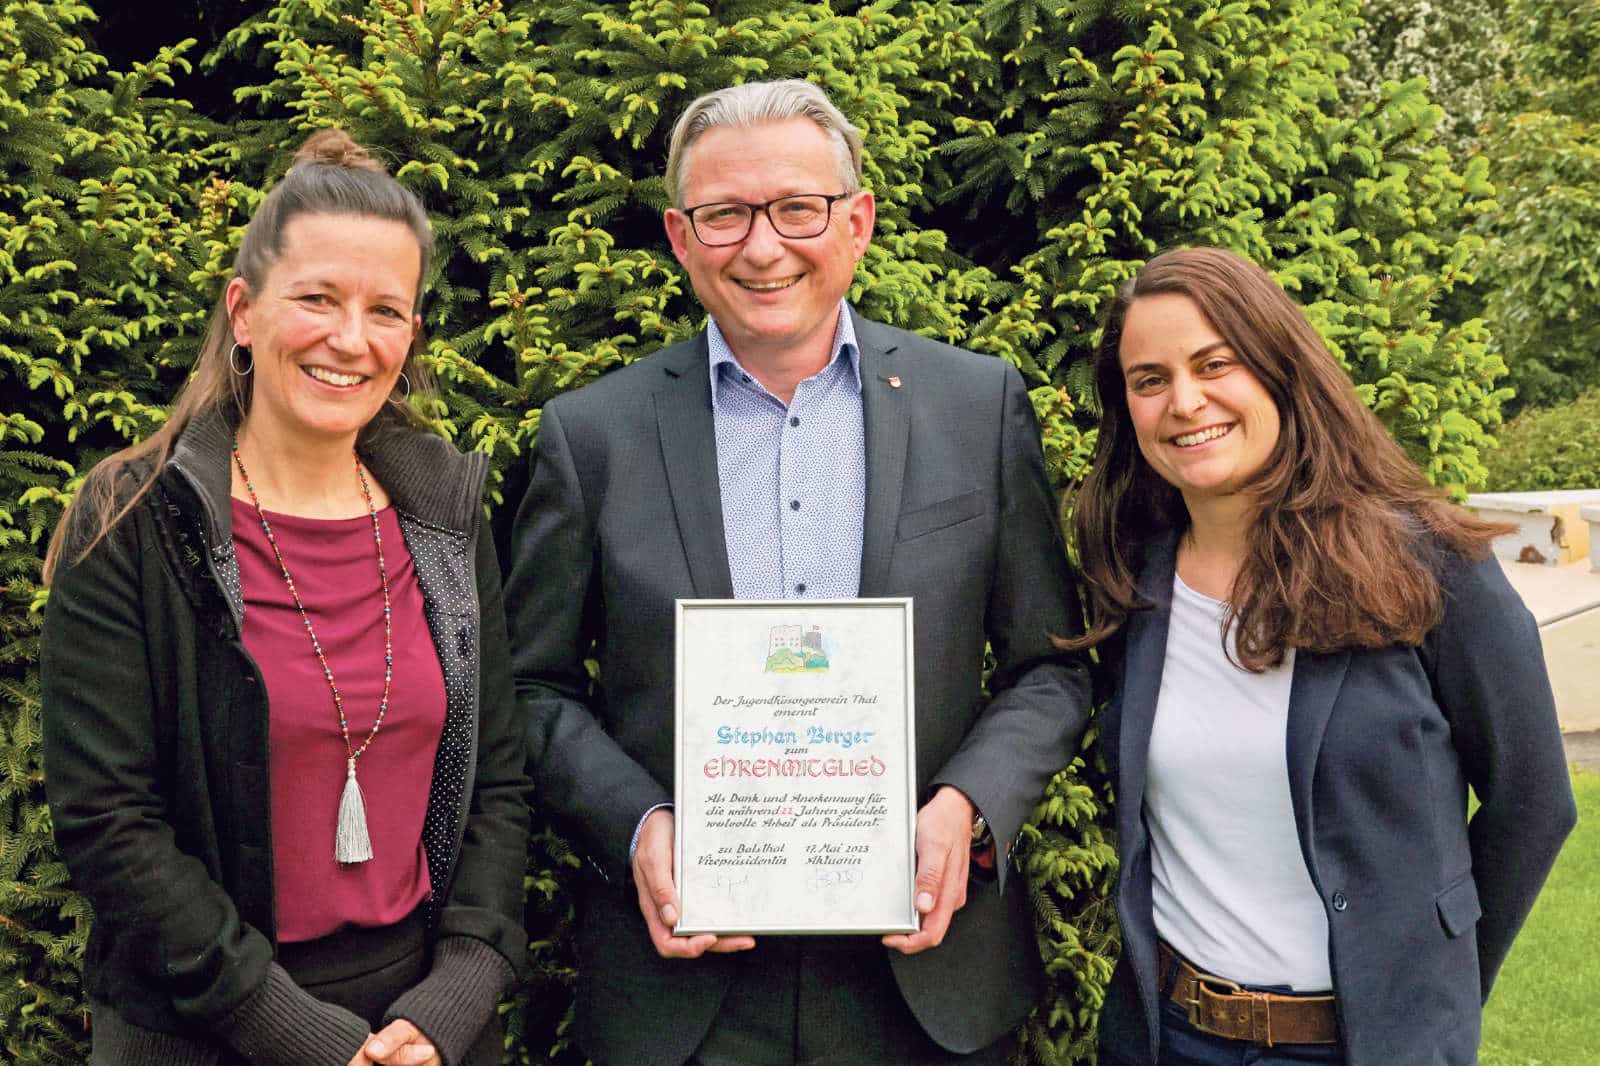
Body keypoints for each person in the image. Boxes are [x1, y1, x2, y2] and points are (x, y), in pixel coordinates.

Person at [504, 79, 1092, 1065]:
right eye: (725, 215)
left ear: (856, 223)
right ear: (681, 237)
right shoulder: (593, 434)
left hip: (925, 980)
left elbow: (1052, 667)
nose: (762, 246)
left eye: (797, 209)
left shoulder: (976, 406)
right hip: (683, 991)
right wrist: (639, 826)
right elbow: (532, 687)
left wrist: (966, 807)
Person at [41, 129, 529, 1066]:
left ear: (411, 335)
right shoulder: (135, 519)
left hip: (418, 1026)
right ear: (244, 311)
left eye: (386, 310)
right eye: (316, 299)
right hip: (200, 1029)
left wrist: (460, 991)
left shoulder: (443, 517)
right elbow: (107, 819)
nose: (350, 339)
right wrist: (291, 1031)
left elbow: (498, 782)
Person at [1067, 246, 1577, 1066]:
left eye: (1215, 364)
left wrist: (1431, 997)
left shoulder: (1430, 568)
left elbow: (1535, 801)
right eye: (1150, 379)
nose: (1185, 402)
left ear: (1279, 368)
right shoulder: (1132, 580)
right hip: (1171, 1040)